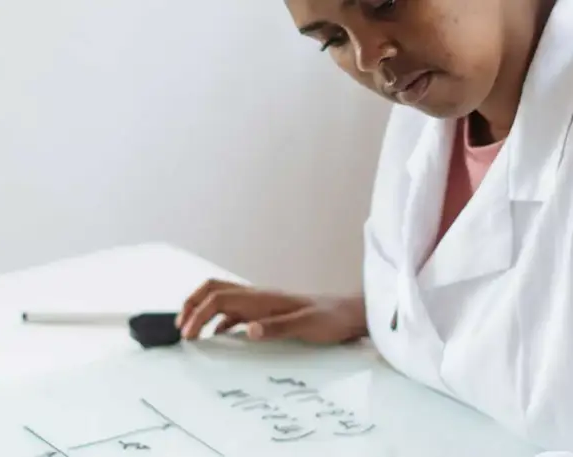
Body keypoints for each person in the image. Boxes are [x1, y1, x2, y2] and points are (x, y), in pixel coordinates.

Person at [174, 0, 573, 452]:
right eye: (334, 39)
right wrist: (383, 313)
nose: (367, 58)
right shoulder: (429, 97)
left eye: (385, 4)